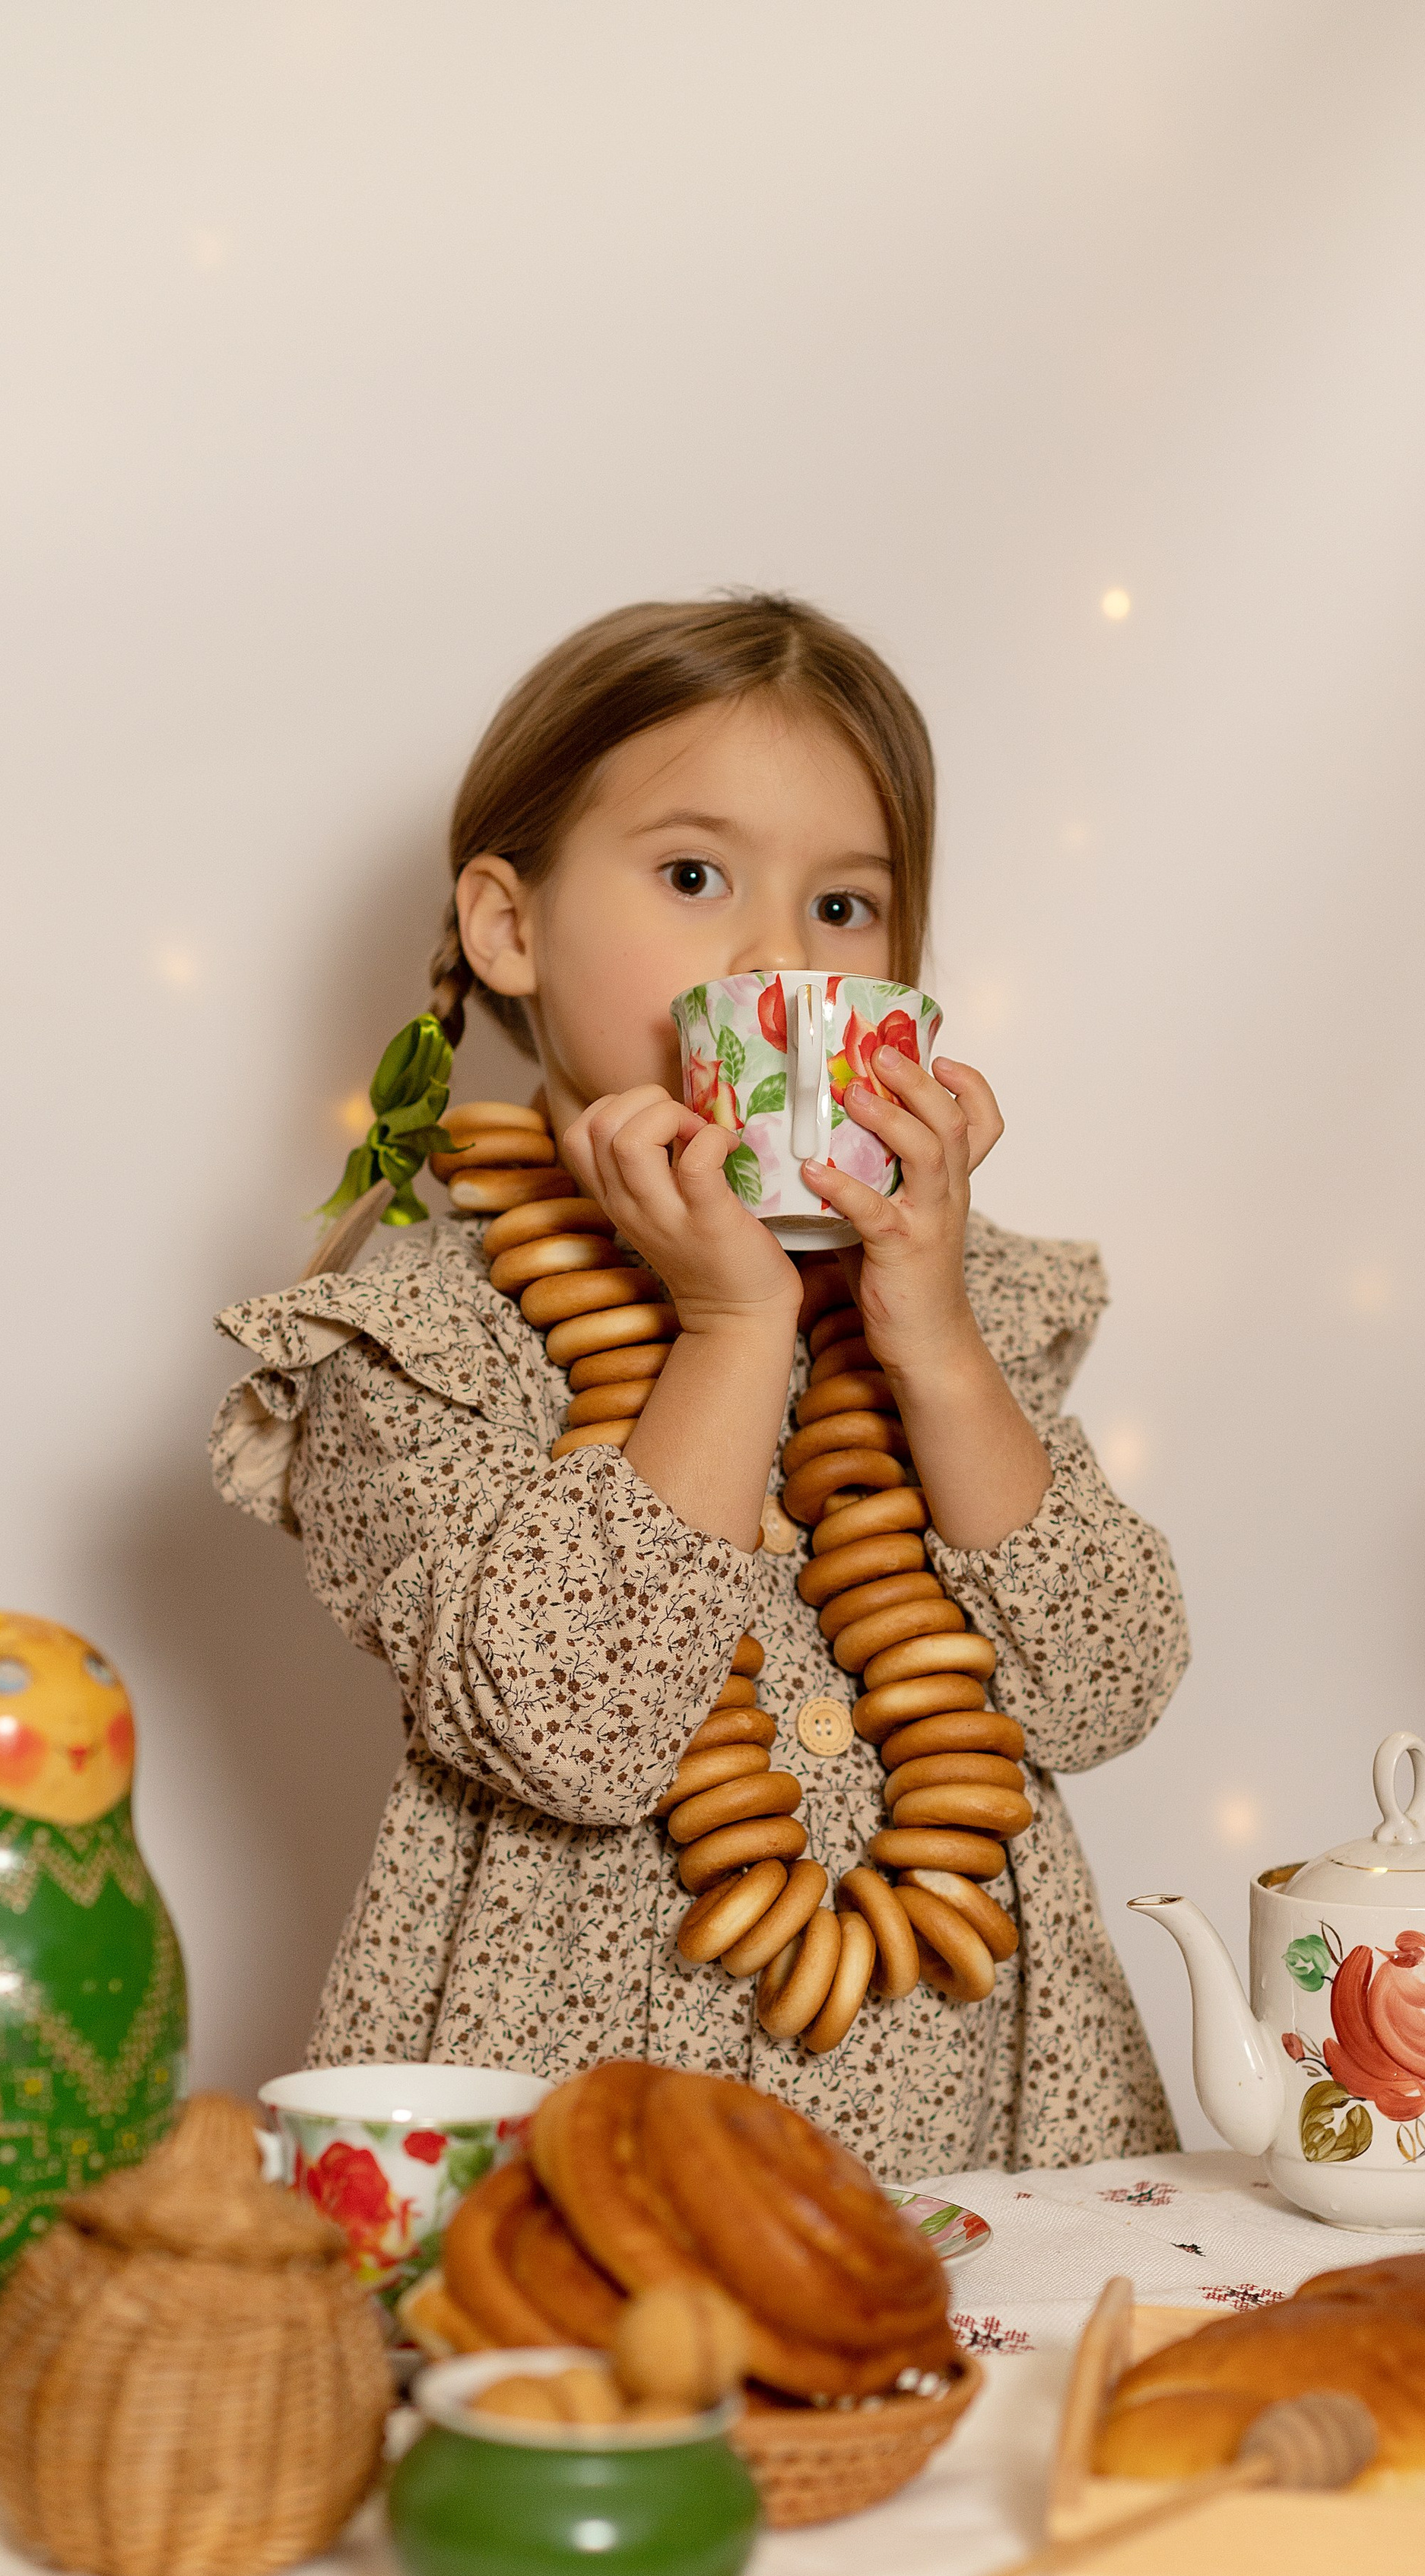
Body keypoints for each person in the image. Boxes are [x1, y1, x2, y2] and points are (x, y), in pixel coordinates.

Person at [212, 594, 1188, 2178]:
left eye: (847, 907)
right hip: (580, 2133)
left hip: (980, 2124)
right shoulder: (408, 1334)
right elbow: (573, 1728)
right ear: (506, 926)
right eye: (691, 877)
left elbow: (1105, 1683)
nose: (776, 961)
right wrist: (730, 1333)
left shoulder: (952, 1300)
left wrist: (929, 1340)